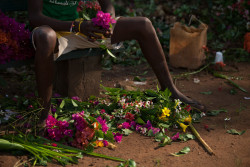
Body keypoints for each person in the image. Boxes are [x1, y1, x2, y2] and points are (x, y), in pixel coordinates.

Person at [28, 0, 206, 127]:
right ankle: (45, 113)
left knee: (143, 25)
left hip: (81, 30)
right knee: (45, 36)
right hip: (55, 32)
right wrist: (76, 26)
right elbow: (35, 17)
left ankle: (171, 91)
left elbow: (108, 5)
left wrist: (108, 22)